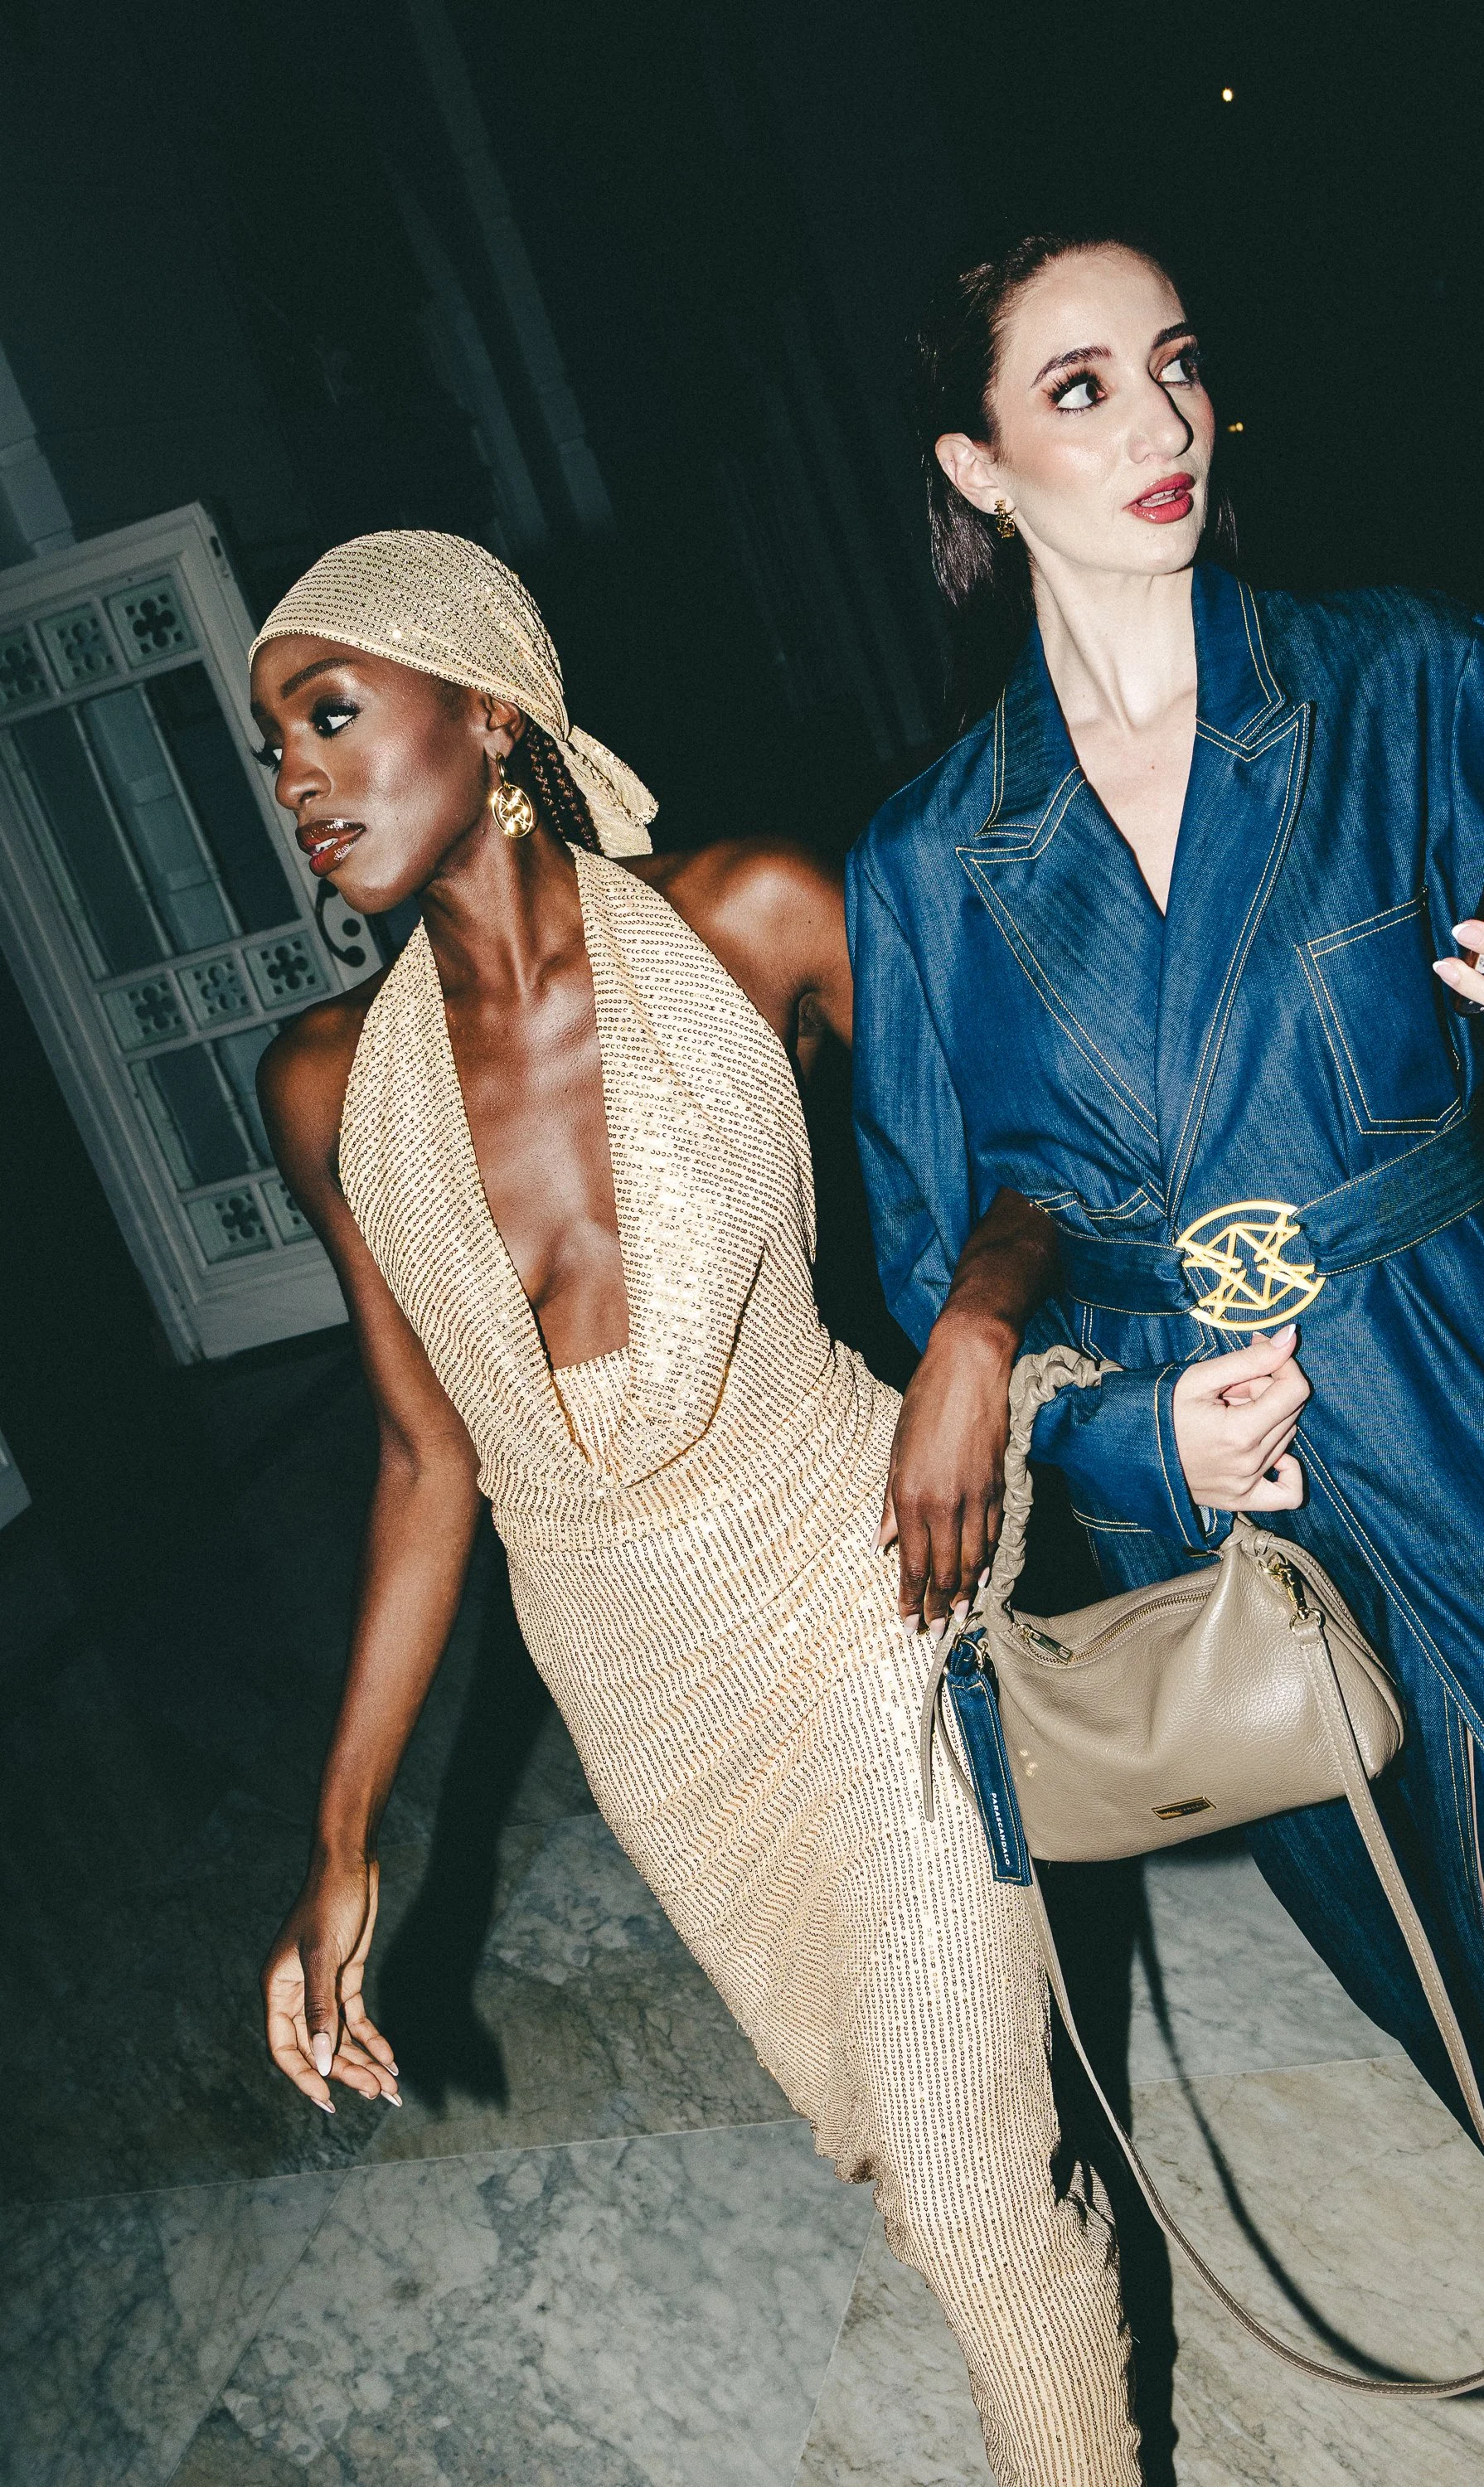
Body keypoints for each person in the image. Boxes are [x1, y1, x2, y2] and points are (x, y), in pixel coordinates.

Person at [848, 232, 1484, 2485]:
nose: (1165, 425)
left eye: (1180, 370)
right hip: (1243, 1518)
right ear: (979, 466)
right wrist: (1131, 1426)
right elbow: (948, 1272)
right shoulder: (927, 861)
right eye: (1085, 389)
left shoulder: (1403, 679)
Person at [250, 531, 1143, 2487]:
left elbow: (1037, 1152)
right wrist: (341, 1840)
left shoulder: (752, 913)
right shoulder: (325, 1084)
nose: (300, 779)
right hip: (638, 1684)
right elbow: (427, 1461)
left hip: (857, 1579)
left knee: (977, 2199)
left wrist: (979, 1340)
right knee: (909, 2161)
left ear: (488, 713)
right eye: (276, 749)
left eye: (333, 715)